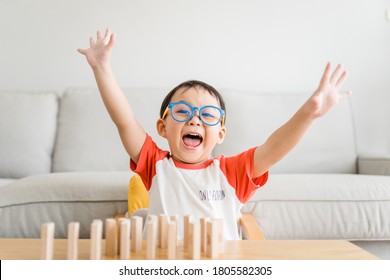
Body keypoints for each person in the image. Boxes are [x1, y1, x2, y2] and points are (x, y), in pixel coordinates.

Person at [78, 28, 351, 239]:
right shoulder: (155, 165)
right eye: (183, 112)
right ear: (162, 127)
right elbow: (124, 121)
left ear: (220, 134)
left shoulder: (230, 173)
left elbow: (274, 148)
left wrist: (309, 114)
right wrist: (102, 68)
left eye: (207, 115)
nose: (195, 120)